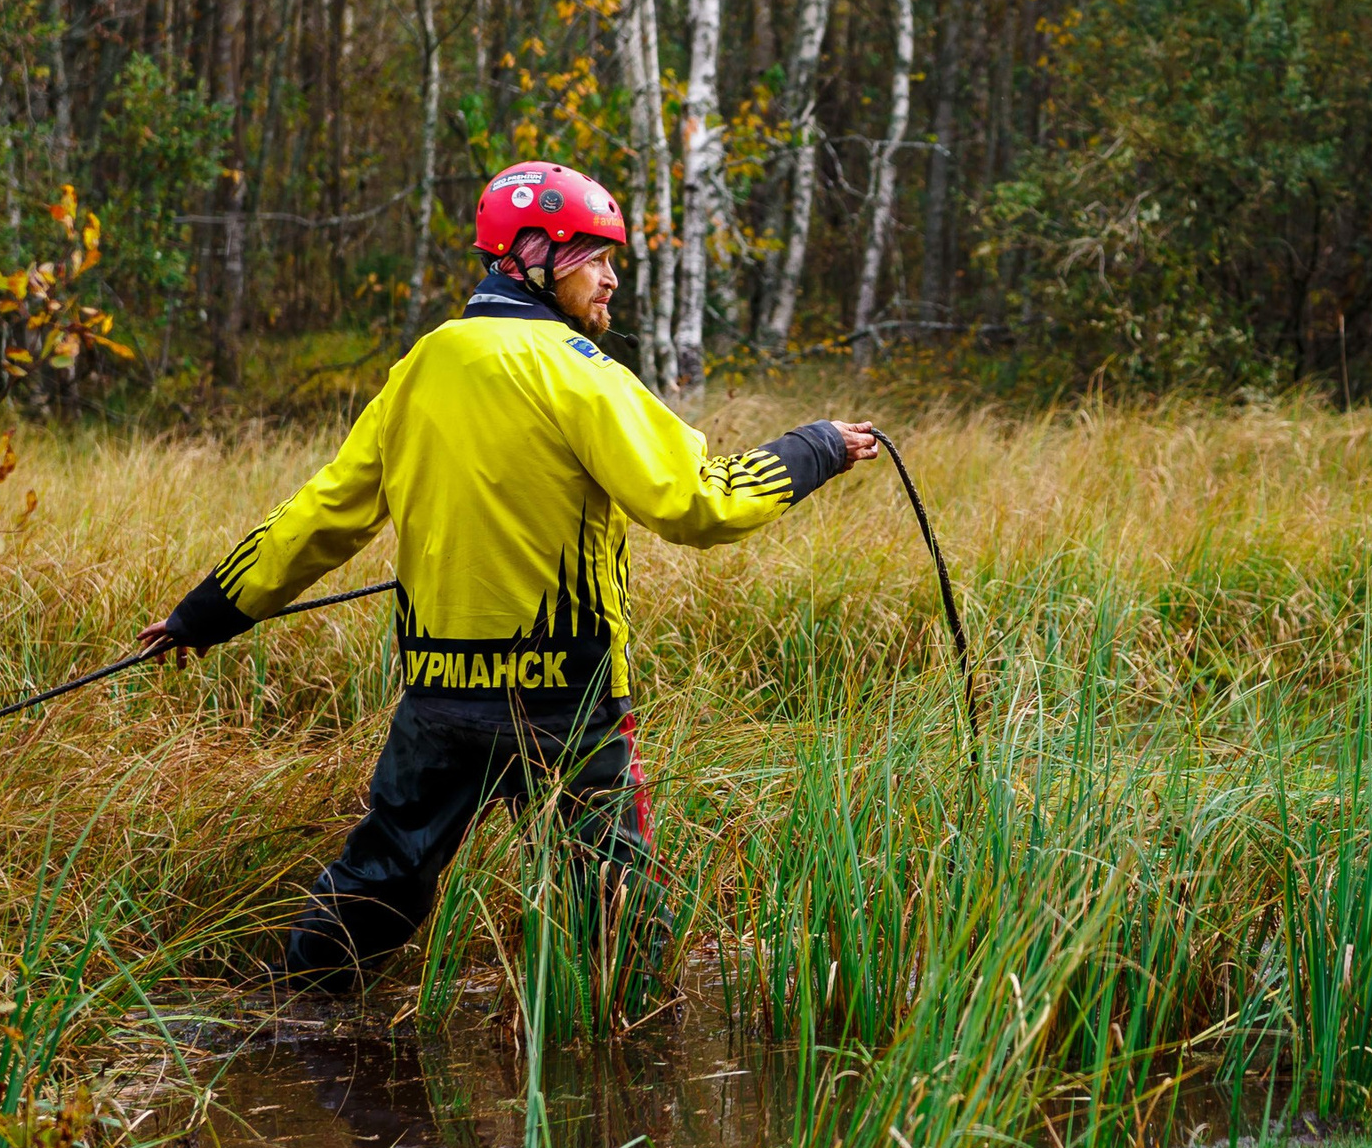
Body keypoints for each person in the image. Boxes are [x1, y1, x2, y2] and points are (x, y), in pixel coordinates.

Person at [139, 160, 880, 991]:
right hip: (568, 708)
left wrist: (202, 615)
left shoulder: (423, 364)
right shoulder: (580, 370)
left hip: (439, 700)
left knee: (374, 892)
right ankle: (630, 1076)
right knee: (620, 927)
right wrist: (815, 448)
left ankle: (282, 1026)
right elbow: (700, 504)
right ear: (539, 255)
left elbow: (319, 517)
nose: (611, 282)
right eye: (598, 258)